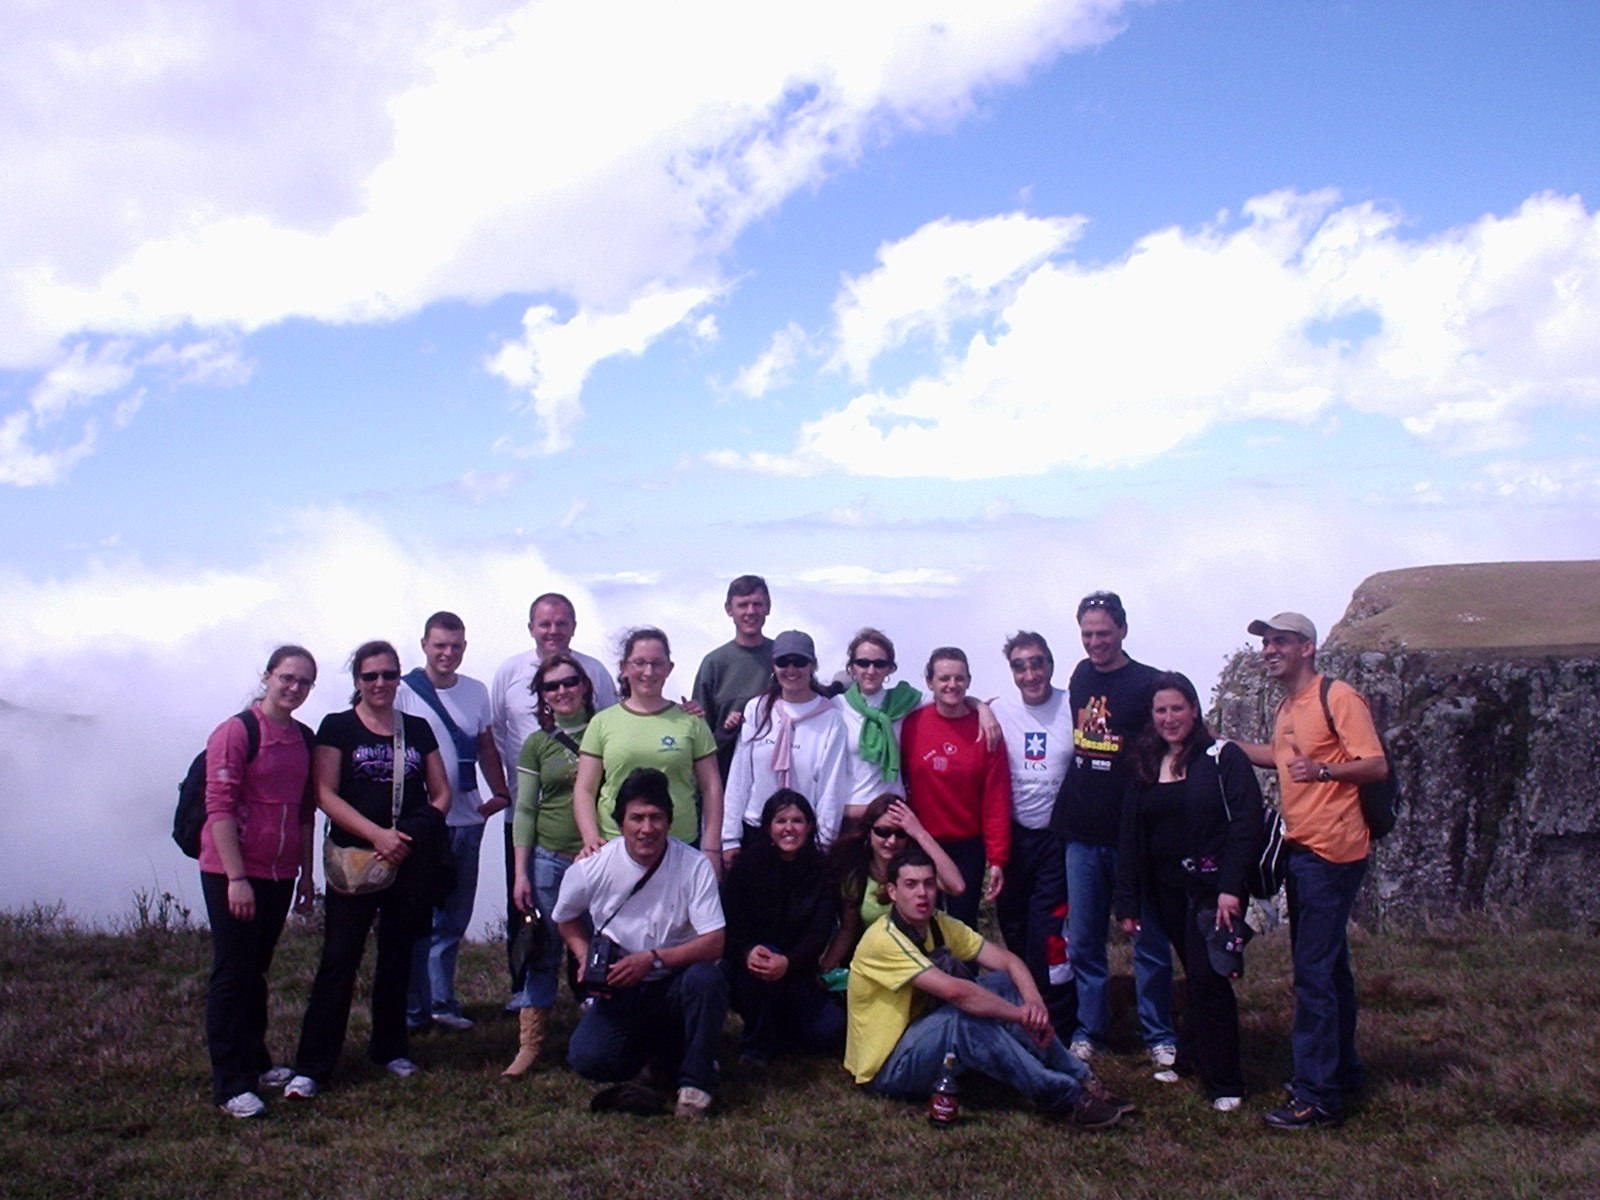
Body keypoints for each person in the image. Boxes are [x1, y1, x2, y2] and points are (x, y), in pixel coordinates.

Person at [844, 846, 1133, 1128]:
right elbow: (956, 992)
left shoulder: (938, 924)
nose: (922, 894)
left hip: (923, 1034)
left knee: (1003, 983)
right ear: (892, 892)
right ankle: (1063, 1097)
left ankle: (1081, 1077)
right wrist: (1019, 1015)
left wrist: (1035, 1004)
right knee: (964, 1020)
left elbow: (1009, 961)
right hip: (887, 1067)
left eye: (929, 884)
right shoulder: (883, 939)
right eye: (911, 885)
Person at [1231, 612, 1388, 1130]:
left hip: (1332, 852)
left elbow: (1375, 764)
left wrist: (1323, 770)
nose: (1269, 650)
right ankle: (1342, 1072)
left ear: (1308, 648)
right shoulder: (1288, 707)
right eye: (1265, 643)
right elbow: (1277, 759)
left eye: (1280, 642)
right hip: (1303, 850)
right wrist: (1221, 743)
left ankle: (1316, 1096)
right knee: (1330, 968)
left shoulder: (1337, 697)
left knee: (1314, 975)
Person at [284, 640, 453, 1099]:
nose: (380, 684)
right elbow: (325, 793)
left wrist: (410, 835)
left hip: (406, 860)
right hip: (355, 860)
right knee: (339, 960)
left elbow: (441, 793)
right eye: (370, 676)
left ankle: (390, 1047)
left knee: (398, 956)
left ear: (400, 679)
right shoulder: (337, 727)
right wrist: (377, 836)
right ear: (357, 681)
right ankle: (314, 1064)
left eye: (389, 675)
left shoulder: (416, 729)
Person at [1114, 671, 1264, 1112]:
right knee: (1195, 976)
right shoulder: (1146, 761)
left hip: (1211, 892)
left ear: (1195, 710)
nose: (1168, 717)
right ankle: (1193, 1056)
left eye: (1177, 708)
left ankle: (1225, 1083)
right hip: (1164, 891)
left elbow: (1246, 823)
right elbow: (1130, 833)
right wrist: (1128, 899)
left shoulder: (1222, 758)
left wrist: (1230, 889)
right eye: (1160, 710)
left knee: (1209, 979)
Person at [1048, 590, 1176, 1069]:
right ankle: (1091, 1029)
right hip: (1080, 830)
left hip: (1132, 835)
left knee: (1148, 940)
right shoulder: (1081, 675)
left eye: (1103, 632)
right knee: (1083, 939)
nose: (1095, 642)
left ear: (1122, 630)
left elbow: (1169, 741)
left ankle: (1158, 1032)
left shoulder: (1148, 683)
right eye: (1087, 634)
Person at [554, 768, 728, 1118]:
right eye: (637, 818)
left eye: (656, 818)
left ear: (669, 821)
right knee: (587, 1058)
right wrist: (585, 955)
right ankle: (657, 1062)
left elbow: (714, 943)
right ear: (620, 823)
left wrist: (653, 960)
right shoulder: (595, 867)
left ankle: (696, 1085)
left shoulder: (693, 866)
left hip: (674, 978)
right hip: (621, 984)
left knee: (706, 980)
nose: (646, 829)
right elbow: (565, 917)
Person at [199, 645, 319, 1118]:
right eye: (287, 678)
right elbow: (219, 808)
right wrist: (235, 878)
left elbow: (305, 812)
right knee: (231, 973)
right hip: (232, 871)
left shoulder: (303, 739)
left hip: (280, 870)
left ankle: (255, 1059)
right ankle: (230, 1083)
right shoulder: (236, 732)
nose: (294, 688)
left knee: (256, 969)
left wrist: (306, 874)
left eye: (304, 682)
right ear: (268, 676)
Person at [489, 593, 618, 998]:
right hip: (525, 810)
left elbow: (615, 725)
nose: (553, 631)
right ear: (531, 628)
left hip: (591, 828)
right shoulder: (509, 671)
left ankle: (587, 993)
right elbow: (495, 730)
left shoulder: (594, 670)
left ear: (574, 627)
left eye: (561, 623)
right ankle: (522, 993)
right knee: (528, 912)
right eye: (545, 624)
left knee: (592, 918)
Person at [397, 611, 510, 1032]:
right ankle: (413, 1006)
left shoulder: (476, 691)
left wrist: (499, 794)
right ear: (424, 645)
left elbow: (485, 744)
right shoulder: (403, 692)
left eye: (456, 646)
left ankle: (442, 1000)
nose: (448, 654)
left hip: (467, 817)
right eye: (440, 645)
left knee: (454, 915)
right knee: (417, 916)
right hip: (424, 821)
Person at [503, 652, 597, 1077]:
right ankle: (530, 1045)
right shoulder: (537, 744)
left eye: (569, 682)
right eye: (551, 686)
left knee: (602, 949)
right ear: (541, 696)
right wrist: (520, 871)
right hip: (549, 859)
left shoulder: (608, 730)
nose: (562, 691)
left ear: (584, 685)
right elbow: (525, 809)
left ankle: (601, 1032)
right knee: (543, 950)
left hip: (598, 861)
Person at [574, 628, 724, 870]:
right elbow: (584, 789)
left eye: (657, 664)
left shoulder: (692, 722)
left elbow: (712, 787)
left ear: (669, 668)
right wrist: (591, 839)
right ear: (624, 667)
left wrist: (712, 846)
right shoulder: (602, 722)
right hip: (616, 844)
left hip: (681, 845)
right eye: (639, 663)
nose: (648, 672)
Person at [991, 631, 1077, 1036]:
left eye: (1037, 662)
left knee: (1048, 931)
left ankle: (1057, 1016)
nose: (1030, 673)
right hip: (1013, 835)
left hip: (1056, 836)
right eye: (1020, 665)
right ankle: (1024, 1009)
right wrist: (981, 710)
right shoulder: (999, 709)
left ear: (1051, 664)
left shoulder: (1070, 706)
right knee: (1013, 923)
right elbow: (967, 705)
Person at [720, 789, 845, 1063]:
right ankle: (755, 1047)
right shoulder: (747, 865)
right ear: (768, 827)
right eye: (780, 821)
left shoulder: (823, 870)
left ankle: (778, 1027)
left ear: (809, 825)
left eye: (797, 821)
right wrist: (748, 952)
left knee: (827, 1031)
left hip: (796, 967)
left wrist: (788, 962)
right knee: (763, 963)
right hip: (750, 966)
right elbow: (732, 923)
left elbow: (819, 932)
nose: (789, 828)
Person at [899, 647, 1010, 926]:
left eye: (959, 679)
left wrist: (997, 858)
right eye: (944, 678)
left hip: (967, 846)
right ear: (930, 683)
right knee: (920, 922)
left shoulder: (987, 730)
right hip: (920, 841)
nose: (952, 685)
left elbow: (996, 799)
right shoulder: (912, 724)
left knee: (962, 927)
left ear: (969, 681)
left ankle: (963, 973)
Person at [721, 630, 850, 852]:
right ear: (773, 666)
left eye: (799, 662)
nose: (791, 670)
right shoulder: (757, 709)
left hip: (804, 834)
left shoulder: (830, 719)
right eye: (783, 662)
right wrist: (730, 839)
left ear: (813, 665)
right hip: (757, 829)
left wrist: (824, 843)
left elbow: (831, 787)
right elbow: (740, 777)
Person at [818, 793, 966, 975]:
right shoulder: (856, 874)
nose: (892, 841)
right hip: (879, 963)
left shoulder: (918, 870)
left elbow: (956, 886)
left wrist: (920, 833)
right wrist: (825, 969)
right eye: (883, 832)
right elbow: (848, 929)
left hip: (922, 964)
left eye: (901, 833)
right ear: (868, 832)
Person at [691, 574, 774, 782]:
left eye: (757, 604)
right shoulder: (714, 664)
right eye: (743, 605)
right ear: (729, 609)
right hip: (726, 776)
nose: (750, 612)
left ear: (768, 607)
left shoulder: (784, 658)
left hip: (777, 774)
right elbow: (701, 733)